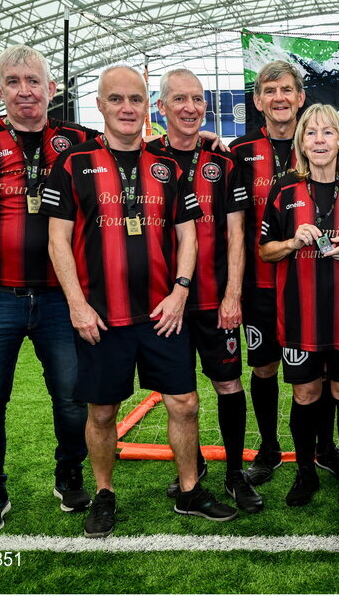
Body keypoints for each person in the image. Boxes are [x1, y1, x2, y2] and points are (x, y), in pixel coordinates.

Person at [43, 65, 238, 538]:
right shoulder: (73, 165)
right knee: (103, 411)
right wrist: (76, 304)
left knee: (185, 403)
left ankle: (190, 489)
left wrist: (180, 290)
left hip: (161, 314)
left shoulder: (166, 167)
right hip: (101, 317)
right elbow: (57, 241)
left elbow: (187, 235)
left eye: (135, 99)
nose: (126, 108)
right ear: (100, 104)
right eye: (116, 100)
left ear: (147, 105)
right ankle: (105, 493)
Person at [0, 44, 96, 536]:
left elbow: (136, 139)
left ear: (53, 89)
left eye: (34, 81)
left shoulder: (78, 141)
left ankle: (69, 474)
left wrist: (200, 137)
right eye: (14, 82)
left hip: (58, 298)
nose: (25, 91)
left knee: (72, 397)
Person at [154, 68, 263, 512]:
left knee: (229, 384)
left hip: (215, 299)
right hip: (168, 303)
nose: (190, 107)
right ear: (161, 107)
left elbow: (237, 235)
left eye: (197, 99)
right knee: (179, 396)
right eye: (179, 99)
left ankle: (236, 473)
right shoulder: (144, 160)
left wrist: (233, 294)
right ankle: (191, 470)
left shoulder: (223, 164)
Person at [229, 61, 339, 485]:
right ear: (258, 100)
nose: (279, 97)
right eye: (269, 90)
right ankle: (270, 445)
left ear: (300, 97)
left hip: (313, 284)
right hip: (260, 283)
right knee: (264, 368)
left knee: (323, 369)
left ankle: (324, 446)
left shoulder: (320, 146)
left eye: (287, 90)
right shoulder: (237, 152)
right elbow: (234, 224)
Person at [258, 104, 339, 507]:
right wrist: (292, 242)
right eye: (312, 134)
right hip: (299, 318)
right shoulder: (284, 190)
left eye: (328, 133)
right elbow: (265, 251)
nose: (320, 140)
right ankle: (305, 471)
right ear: (301, 143)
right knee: (306, 394)